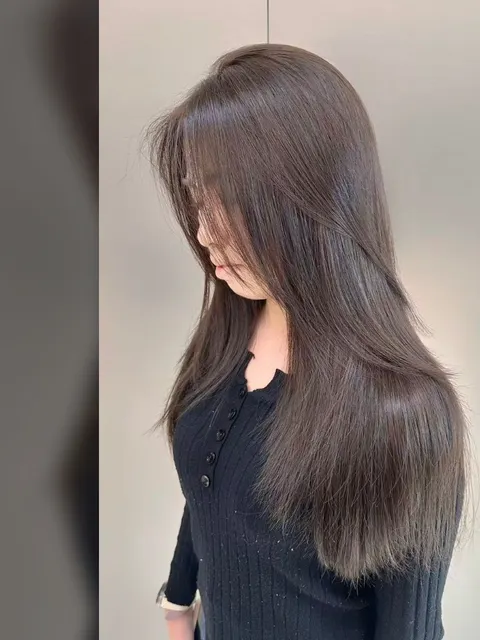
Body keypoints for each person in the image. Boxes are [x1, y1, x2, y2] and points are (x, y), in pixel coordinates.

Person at [145, 43, 466, 640]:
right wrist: (178, 606)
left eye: (228, 195)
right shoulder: (229, 334)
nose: (203, 231)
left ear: (316, 196)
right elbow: (207, 492)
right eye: (196, 194)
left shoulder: (405, 416)